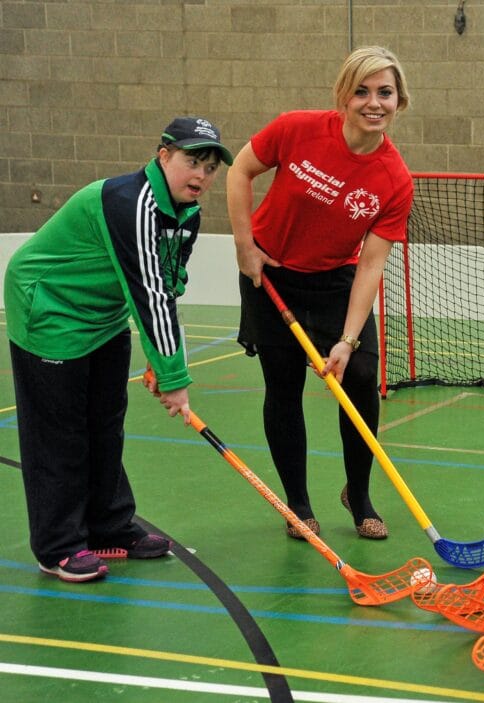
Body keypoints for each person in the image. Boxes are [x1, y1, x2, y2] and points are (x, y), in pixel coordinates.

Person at [4, 117, 233, 583]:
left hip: (104, 315)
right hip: (50, 308)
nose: (202, 177)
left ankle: (109, 525)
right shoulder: (132, 203)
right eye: (193, 162)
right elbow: (147, 293)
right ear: (163, 155)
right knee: (60, 434)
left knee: (105, 424)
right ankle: (58, 546)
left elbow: (168, 286)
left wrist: (160, 359)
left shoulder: (186, 212)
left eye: (210, 168)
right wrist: (175, 381)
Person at [226, 46, 413, 541]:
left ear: (400, 101)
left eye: (385, 93)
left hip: (336, 281)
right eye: (363, 91)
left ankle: (359, 493)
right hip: (271, 274)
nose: (374, 103)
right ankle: (299, 504)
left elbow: (371, 265)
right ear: (343, 96)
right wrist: (245, 248)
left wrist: (348, 340)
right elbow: (239, 170)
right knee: (283, 386)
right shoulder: (297, 128)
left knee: (362, 378)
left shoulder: (394, 179)